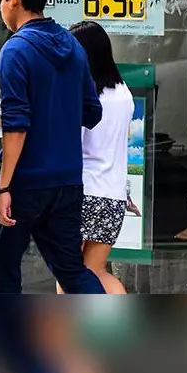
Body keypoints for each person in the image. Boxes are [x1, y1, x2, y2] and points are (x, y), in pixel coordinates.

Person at [0, 0, 106, 294]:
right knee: (71, 271)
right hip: (67, 181)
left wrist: (4, 188)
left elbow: (17, 125)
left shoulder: (15, 50)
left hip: (25, 182)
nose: (1, 7)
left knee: (2, 270)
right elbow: (92, 112)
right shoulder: (73, 46)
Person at [54, 21, 136, 295]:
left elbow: (69, 146)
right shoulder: (124, 94)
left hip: (83, 192)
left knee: (68, 272)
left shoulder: (83, 95)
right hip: (112, 196)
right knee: (96, 271)